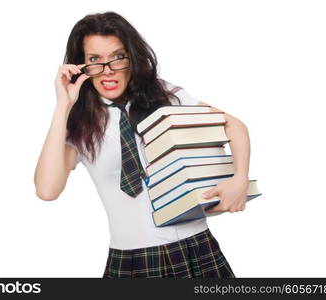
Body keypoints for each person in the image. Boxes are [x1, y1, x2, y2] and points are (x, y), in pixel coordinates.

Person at [34, 11, 251, 278]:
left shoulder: (164, 95)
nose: (108, 70)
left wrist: (240, 178)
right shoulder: (78, 123)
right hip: (132, 259)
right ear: (81, 66)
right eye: (95, 60)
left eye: (117, 57)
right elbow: (47, 190)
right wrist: (63, 105)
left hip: (197, 247)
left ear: (131, 58)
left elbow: (233, 126)